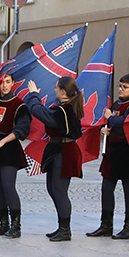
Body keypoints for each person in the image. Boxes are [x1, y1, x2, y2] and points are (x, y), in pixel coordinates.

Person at [24, 76, 84, 242]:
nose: (55, 89)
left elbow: (39, 112)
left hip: (64, 151)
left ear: (63, 91)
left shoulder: (65, 110)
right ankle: (61, 227)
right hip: (58, 149)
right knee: (53, 189)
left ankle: (65, 230)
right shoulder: (63, 107)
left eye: (57, 87)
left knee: (59, 191)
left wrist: (34, 95)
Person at [88, 73, 129, 239]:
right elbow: (107, 123)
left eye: (124, 87)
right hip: (111, 151)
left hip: (127, 151)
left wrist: (111, 118)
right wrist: (103, 129)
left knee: (128, 189)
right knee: (106, 189)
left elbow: (126, 122)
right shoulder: (117, 103)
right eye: (120, 86)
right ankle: (106, 225)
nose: (120, 89)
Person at [0, 73, 31, 239]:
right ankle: (3, 224)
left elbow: (22, 128)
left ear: (13, 84)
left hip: (8, 147)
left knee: (8, 186)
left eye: (8, 82)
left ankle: (16, 225)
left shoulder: (19, 105)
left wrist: (2, 142)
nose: (4, 85)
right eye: (2, 82)